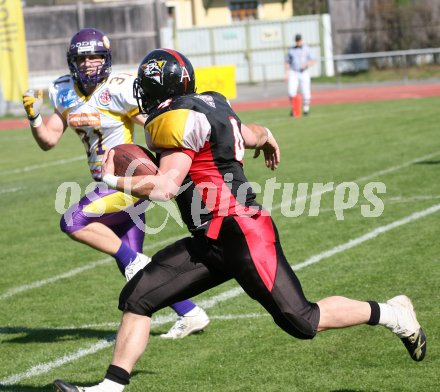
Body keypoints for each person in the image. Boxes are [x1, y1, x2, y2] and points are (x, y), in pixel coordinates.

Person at [53, 48, 426, 392]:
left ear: (155, 88)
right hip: (210, 239)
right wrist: (268, 139)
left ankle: (392, 313)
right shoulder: (214, 104)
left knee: (303, 321)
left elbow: (166, 187)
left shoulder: (173, 119)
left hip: (243, 234)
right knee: (139, 296)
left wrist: (112, 179)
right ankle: (109, 388)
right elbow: (252, 133)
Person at [22, 29, 209, 339]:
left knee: (73, 221)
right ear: (73, 62)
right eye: (84, 58)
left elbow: (156, 125)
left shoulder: (119, 89)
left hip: (128, 182)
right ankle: (190, 312)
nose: (90, 63)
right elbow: (49, 140)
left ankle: (135, 261)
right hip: (105, 182)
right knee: (135, 270)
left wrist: (172, 164)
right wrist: (34, 118)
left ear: (106, 60)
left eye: (96, 57)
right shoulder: (63, 90)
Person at [285, 34, 316, 117]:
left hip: (304, 72)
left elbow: (313, 60)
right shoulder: (291, 50)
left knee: (306, 91)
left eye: (299, 40)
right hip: (294, 71)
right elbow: (287, 61)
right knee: (291, 91)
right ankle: (294, 109)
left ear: (302, 40)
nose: (298, 42)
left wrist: (306, 64)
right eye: (297, 41)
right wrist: (287, 73)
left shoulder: (307, 49)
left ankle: (306, 109)